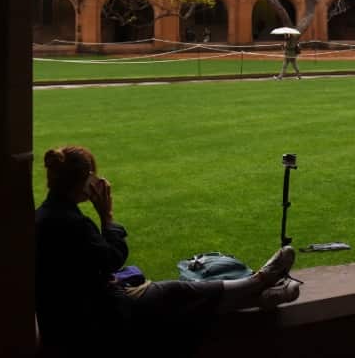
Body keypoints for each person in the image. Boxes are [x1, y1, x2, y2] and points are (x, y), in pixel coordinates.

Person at [35, 146, 301, 355]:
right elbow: (111, 259)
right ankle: (259, 281)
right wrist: (107, 217)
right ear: (85, 180)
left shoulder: (43, 216)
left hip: (66, 321)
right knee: (178, 292)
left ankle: (261, 296)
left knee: (182, 299)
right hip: (99, 320)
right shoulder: (73, 222)